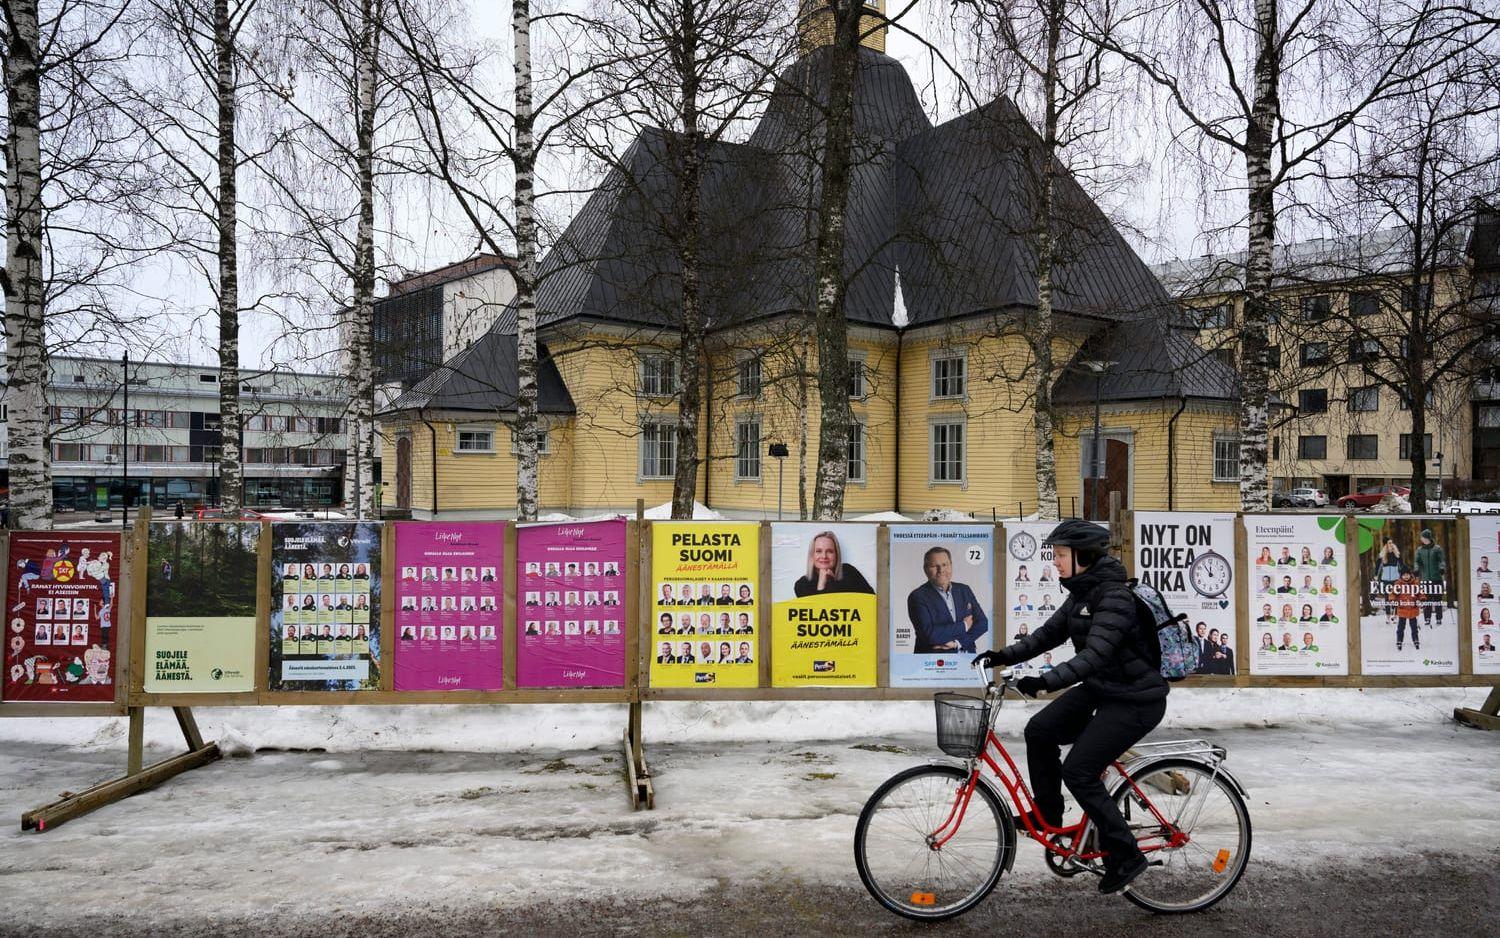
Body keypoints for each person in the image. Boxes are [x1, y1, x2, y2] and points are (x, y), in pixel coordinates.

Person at [972, 519, 1167, 895]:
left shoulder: (1113, 597)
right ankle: (1049, 815)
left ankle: (1126, 854)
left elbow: (1095, 655)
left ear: (1085, 556)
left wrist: (1045, 681)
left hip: (1135, 700)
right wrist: (1001, 656)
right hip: (1103, 689)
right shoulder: (1081, 593)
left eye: (1061, 555)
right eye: (1055, 555)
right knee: (1040, 731)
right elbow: (1048, 634)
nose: (1056, 563)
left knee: (1079, 771)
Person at [906, 546, 990, 654]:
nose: (941, 570)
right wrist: (964, 625)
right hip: (932, 662)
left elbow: (983, 623)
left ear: (951, 566)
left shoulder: (964, 590)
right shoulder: (917, 596)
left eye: (945, 564)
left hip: (966, 656)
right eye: (934, 566)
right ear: (925, 569)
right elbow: (929, 634)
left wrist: (958, 643)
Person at [793, 532, 874, 596]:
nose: (824, 556)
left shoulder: (849, 572)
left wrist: (833, 584)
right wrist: (821, 584)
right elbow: (818, 612)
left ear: (836, 555)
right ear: (812, 555)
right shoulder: (802, 584)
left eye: (829, 551)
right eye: (818, 551)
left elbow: (872, 601)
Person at [1414, 528, 1447, 628]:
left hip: (1436, 578)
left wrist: (1442, 568)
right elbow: (1417, 561)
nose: (1421, 539)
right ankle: (1427, 618)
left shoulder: (1437, 549)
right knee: (1426, 600)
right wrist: (1416, 569)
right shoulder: (1419, 550)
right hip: (1425, 579)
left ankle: (1439, 618)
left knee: (1437, 599)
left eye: (1422, 537)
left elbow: (1442, 561)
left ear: (1427, 538)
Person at [1391, 570, 1422, 651]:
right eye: (1404, 575)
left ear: (1410, 575)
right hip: (1402, 609)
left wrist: (1422, 599)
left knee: (1414, 627)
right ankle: (1399, 640)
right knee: (1401, 627)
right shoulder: (1398, 584)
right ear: (1401, 576)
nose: (1406, 576)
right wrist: (1392, 599)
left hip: (1413, 609)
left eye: (1407, 574)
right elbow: (1393, 593)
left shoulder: (1415, 583)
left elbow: (1420, 593)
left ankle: (1416, 639)